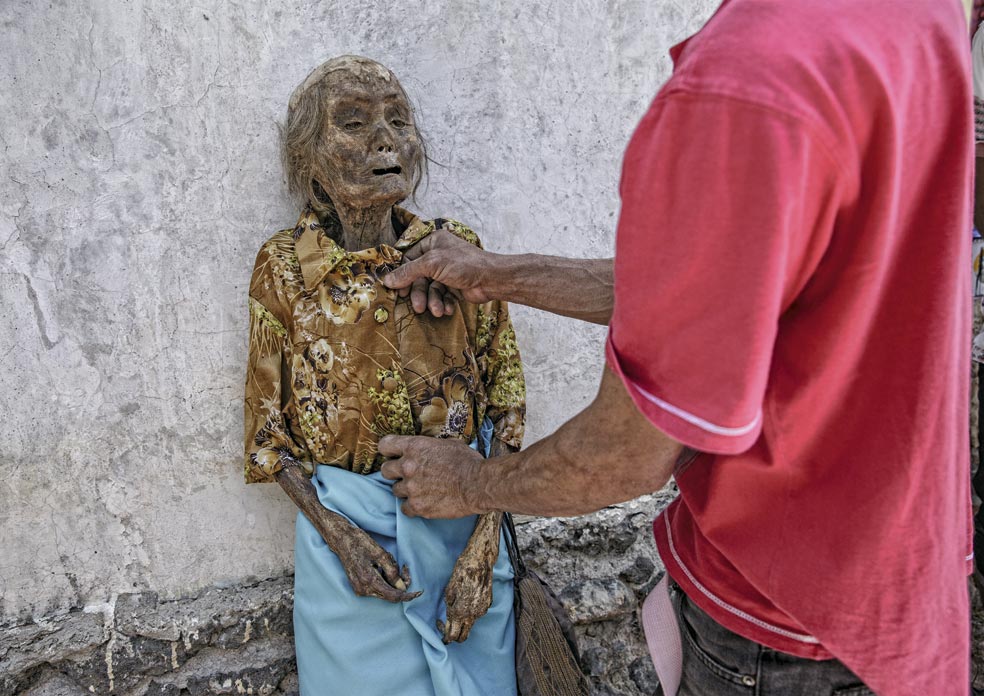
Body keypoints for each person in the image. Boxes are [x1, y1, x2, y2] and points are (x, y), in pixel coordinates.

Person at [377, 1, 974, 694]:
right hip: (900, 595)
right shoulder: (907, 15)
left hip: (780, 631)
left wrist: (472, 485)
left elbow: (626, 454)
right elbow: (739, 291)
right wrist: (500, 277)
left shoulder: (749, 84)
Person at [243, 55, 525, 695]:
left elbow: (506, 402)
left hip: (464, 535)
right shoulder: (285, 267)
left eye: (399, 121)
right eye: (353, 123)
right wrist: (339, 536)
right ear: (309, 156)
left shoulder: (455, 252)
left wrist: (484, 551)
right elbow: (267, 433)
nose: (385, 140)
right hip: (347, 555)